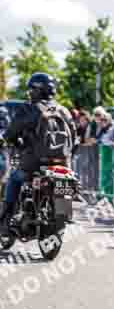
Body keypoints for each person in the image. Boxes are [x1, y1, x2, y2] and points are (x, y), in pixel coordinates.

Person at [0, 73, 75, 233]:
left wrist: (8, 140)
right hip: (61, 161)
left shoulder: (30, 109)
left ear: (36, 90)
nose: (29, 93)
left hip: (34, 161)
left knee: (14, 179)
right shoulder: (63, 110)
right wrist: (67, 155)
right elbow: (74, 137)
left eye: (31, 90)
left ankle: (5, 220)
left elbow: (12, 131)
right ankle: (64, 211)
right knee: (66, 178)